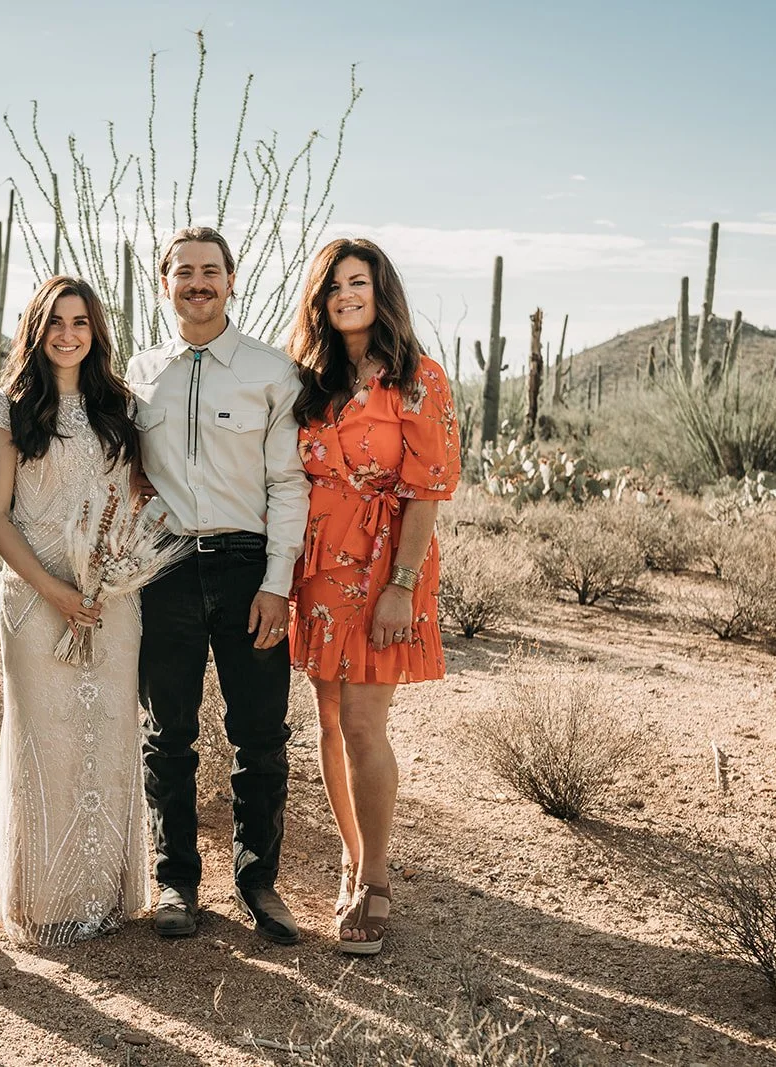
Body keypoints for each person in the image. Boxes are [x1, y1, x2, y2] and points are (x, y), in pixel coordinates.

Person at [125, 226, 310, 944]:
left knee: (260, 734)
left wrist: (277, 583)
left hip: (247, 568)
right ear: (164, 283)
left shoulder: (272, 372)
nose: (197, 283)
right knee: (166, 733)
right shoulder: (140, 374)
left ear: (232, 280)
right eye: (183, 272)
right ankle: (176, 879)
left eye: (210, 271)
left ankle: (258, 882)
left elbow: (287, 484)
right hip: (165, 568)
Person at [286, 238, 461, 956]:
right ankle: (352, 852)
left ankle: (377, 877)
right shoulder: (310, 378)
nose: (346, 296)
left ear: (380, 291)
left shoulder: (420, 379)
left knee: (363, 723)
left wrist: (398, 586)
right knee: (327, 718)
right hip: (320, 563)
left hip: (387, 565)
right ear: (321, 301)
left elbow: (426, 490)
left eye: (358, 283)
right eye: (334, 287)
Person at [0, 275, 151, 945]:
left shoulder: (121, 408)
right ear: (37, 330)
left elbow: (134, 499)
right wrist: (56, 591)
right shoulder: (7, 410)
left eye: (81, 322)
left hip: (110, 600)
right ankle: (43, 896)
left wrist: (111, 573)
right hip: (33, 594)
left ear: (96, 331)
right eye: (56, 322)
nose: (69, 334)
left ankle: (102, 891)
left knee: (106, 732)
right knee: (43, 735)